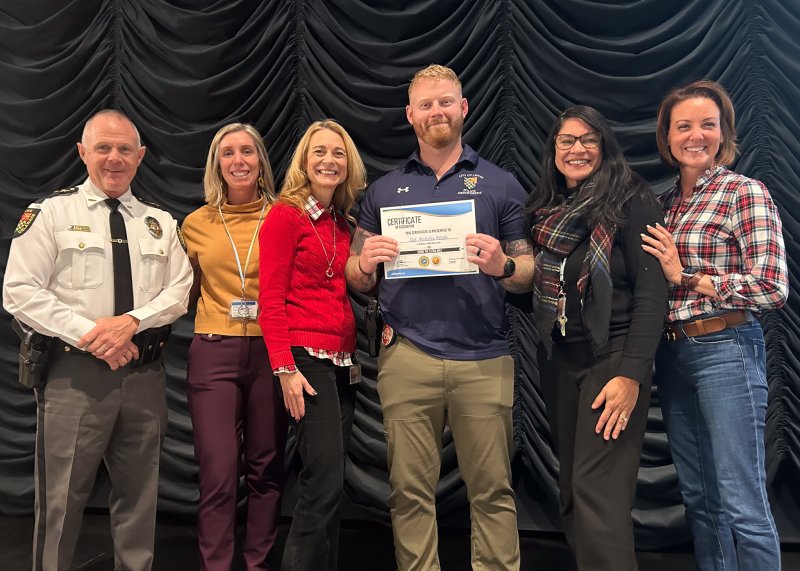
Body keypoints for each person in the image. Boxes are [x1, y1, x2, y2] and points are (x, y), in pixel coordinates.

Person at [345, 64, 532, 571]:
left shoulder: (501, 184)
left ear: (463, 107)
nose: (436, 112)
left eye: (445, 102)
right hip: (407, 355)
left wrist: (504, 265)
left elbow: (528, 273)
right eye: (426, 105)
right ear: (410, 115)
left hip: (484, 356)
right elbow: (355, 275)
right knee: (408, 491)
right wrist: (364, 263)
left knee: (492, 489)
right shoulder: (385, 191)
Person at [2, 109, 193, 571]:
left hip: (143, 376)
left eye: (125, 149)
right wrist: (93, 335)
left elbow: (180, 291)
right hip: (74, 376)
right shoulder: (51, 213)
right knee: (60, 502)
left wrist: (129, 322)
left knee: (139, 501)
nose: (114, 158)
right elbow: (19, 291)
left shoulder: (160, 222)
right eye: (103, 148)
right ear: (82, 152)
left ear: (140, 156)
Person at [642, 79, 788, 571]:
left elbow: (771, 287)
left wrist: (687, 277)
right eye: (683, 126)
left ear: (723, 132)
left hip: (726, 347)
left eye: (707, 124)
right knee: (700, 498)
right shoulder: (664, 204)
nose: (695, 135)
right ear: (667, 137)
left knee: (741, 500)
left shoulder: (743, 192)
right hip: (673, 353)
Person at [526, 106, 667, 570]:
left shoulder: (632, 200)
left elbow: (652, 294)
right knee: (571, 491)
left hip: (613, 358)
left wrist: (631, 375)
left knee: (597, 493)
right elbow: (533, 295)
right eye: (567, 140)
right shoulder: (546, 211)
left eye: (589, 140)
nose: (578, 149)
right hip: (560, 360)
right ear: (553, 149)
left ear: (604, 146)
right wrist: (500, 269)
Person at [258, 119, 366, 571]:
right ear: (304, 161)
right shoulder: (285, 215)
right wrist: (285, 369)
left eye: (338, 153)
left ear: (348, 164)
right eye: (319, 152)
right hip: (305, 361)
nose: (329, 160)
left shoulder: (343, 223)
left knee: (332, 486)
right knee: (321, 482)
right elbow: (269, 301)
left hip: (343, 361)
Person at [181, 123, 287, 571]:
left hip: (272, 351)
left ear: (261, 160)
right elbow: (183, 292)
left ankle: (257, 564)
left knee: (265, 468)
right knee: (219, 471)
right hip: (214, 350)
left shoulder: (283, 215)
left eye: (247, 151)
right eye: (228, 153)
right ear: (216, 163)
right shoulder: (196, 223)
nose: (238, 161)